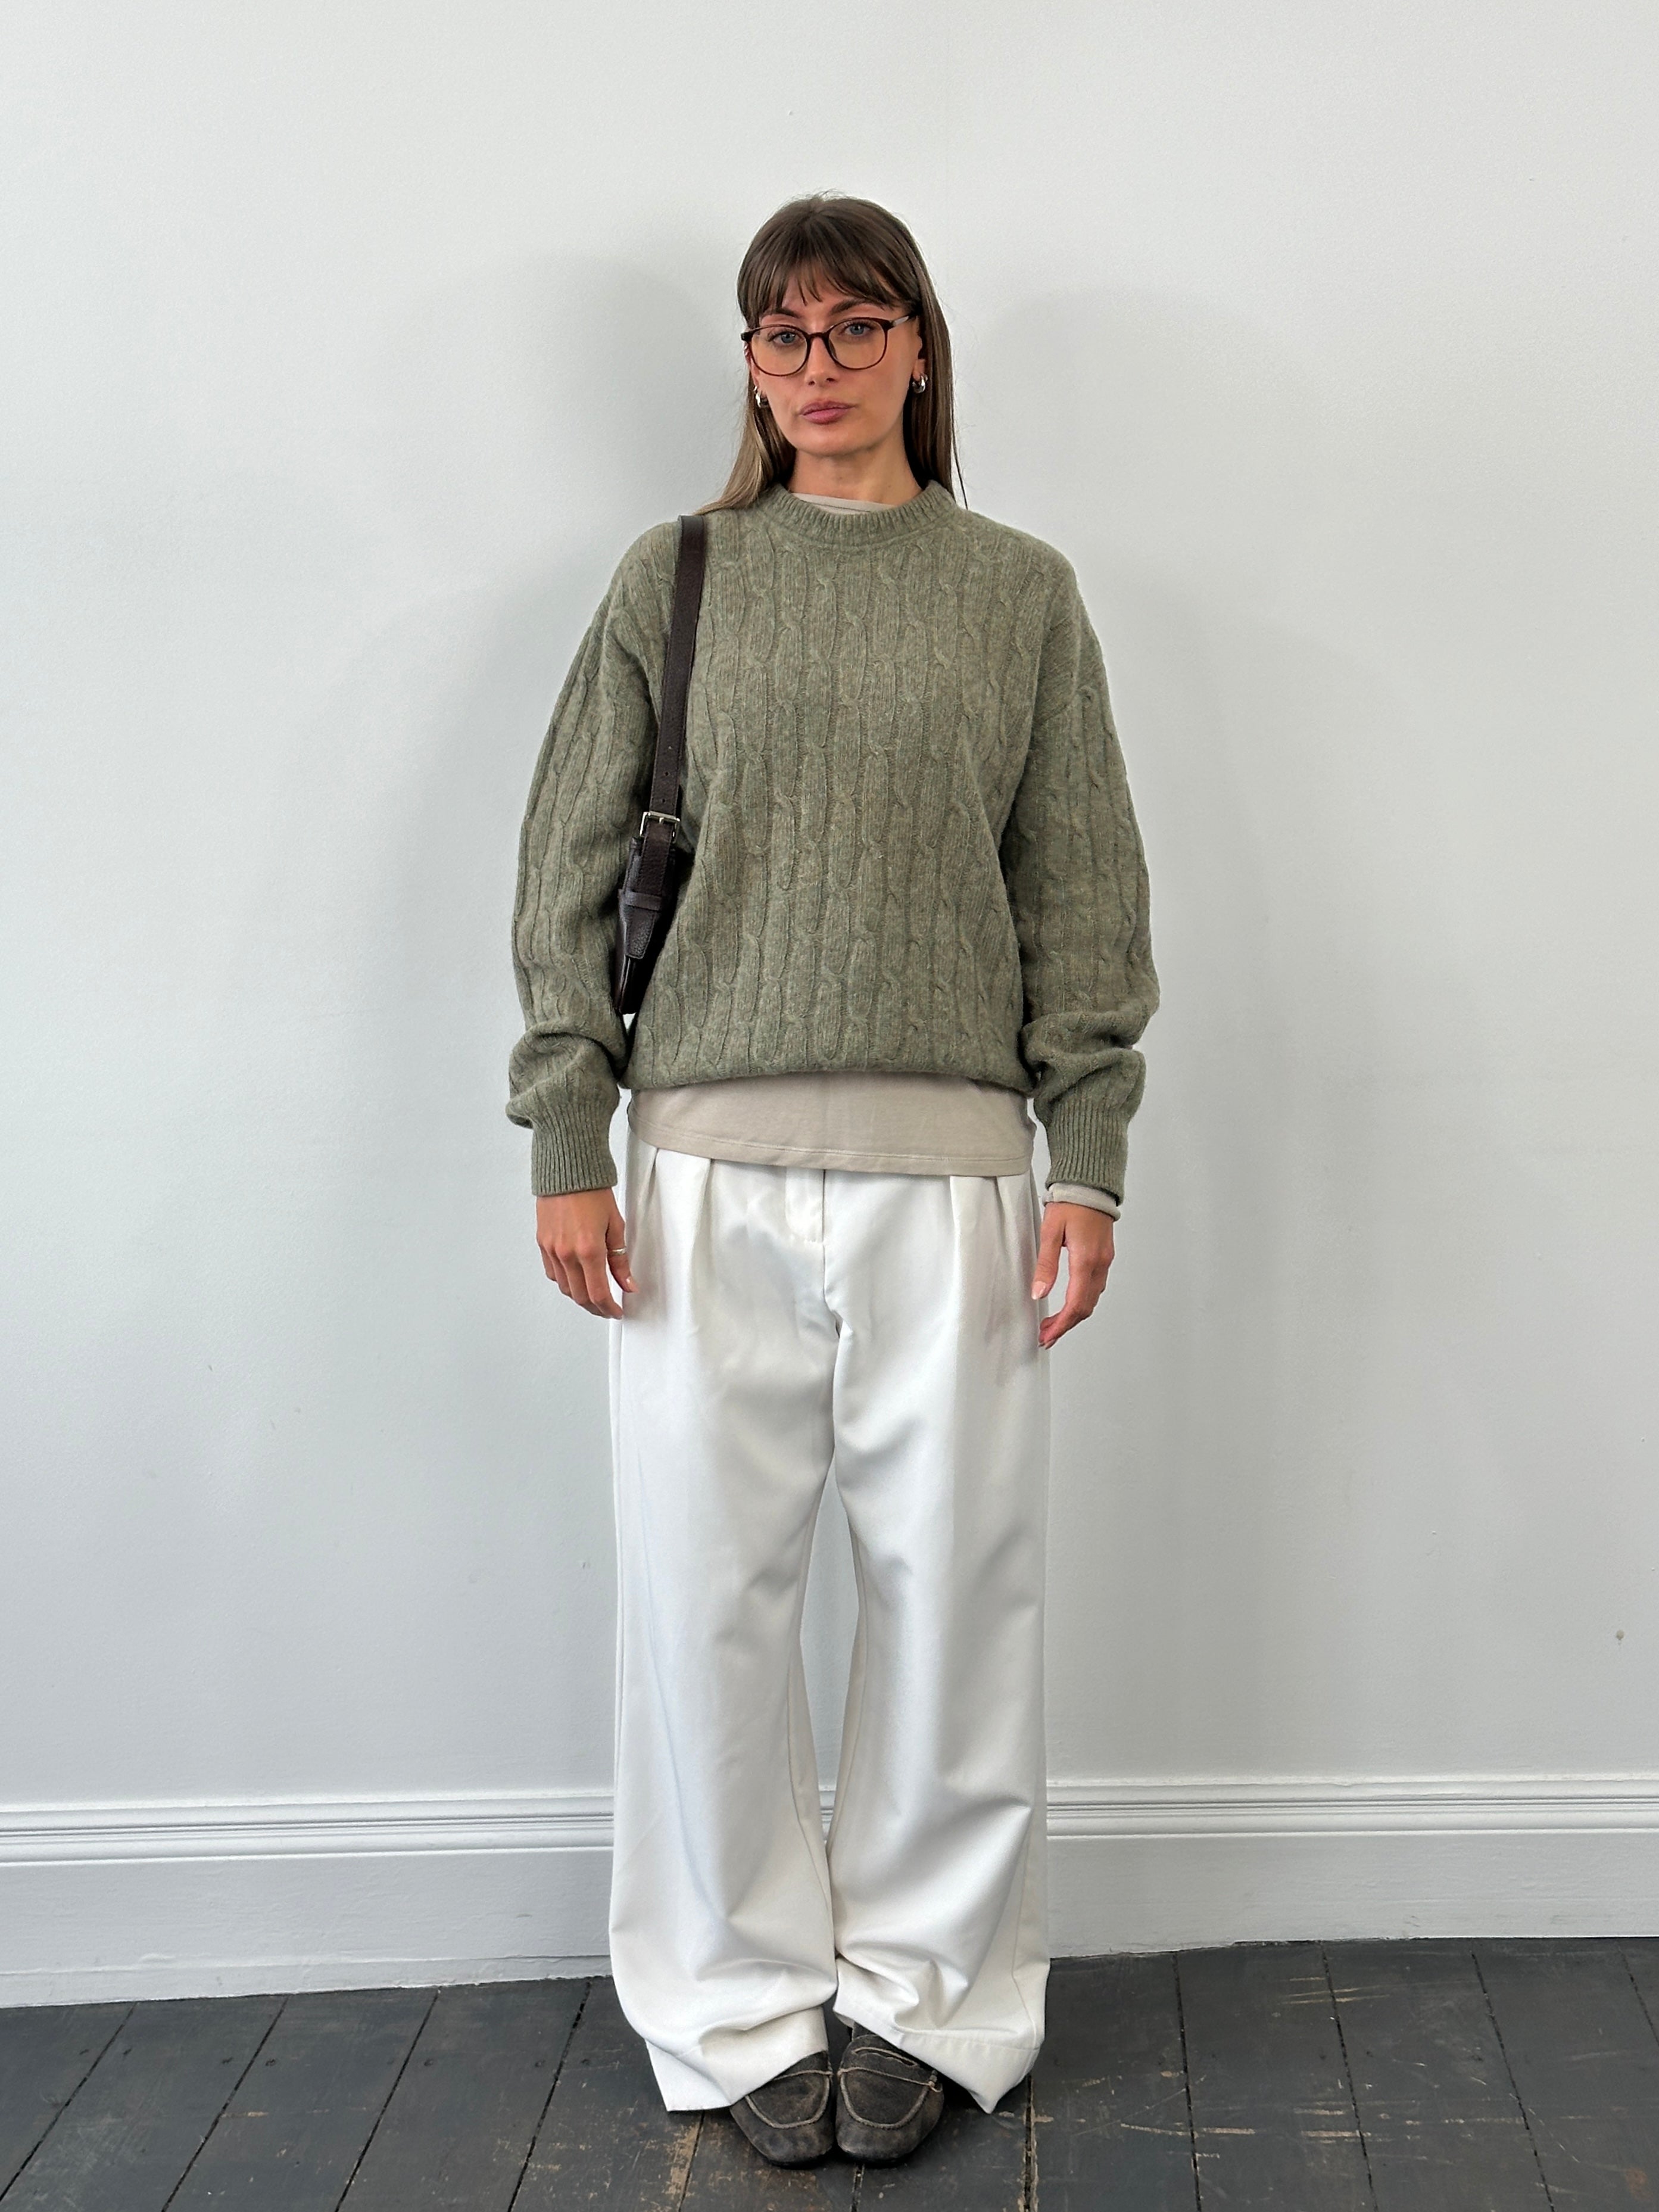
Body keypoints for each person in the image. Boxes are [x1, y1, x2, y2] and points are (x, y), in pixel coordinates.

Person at [506, 191, 1158, 2170]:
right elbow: (564, 867)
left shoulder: (1017, 592)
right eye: (781, 336)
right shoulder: (675, 575)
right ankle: (728, 2003)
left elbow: (1078, 885)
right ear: (750, 363)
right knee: (705, 1602)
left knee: (954, 1599)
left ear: (917, 348)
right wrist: (565, 1128)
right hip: (698, 1175)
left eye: (854, 327)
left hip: (951, 1174)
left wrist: (1089, 1152)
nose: (816, 366)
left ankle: (931, 1997)